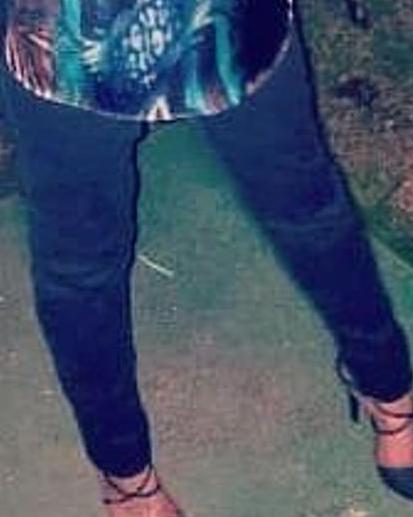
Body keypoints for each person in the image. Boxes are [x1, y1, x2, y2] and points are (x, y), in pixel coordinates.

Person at [1, 0, 413, 515]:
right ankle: (123, 471)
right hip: (67, 34)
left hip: (223, 18)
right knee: (81, 265)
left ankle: (387, 385)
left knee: (308, 208)